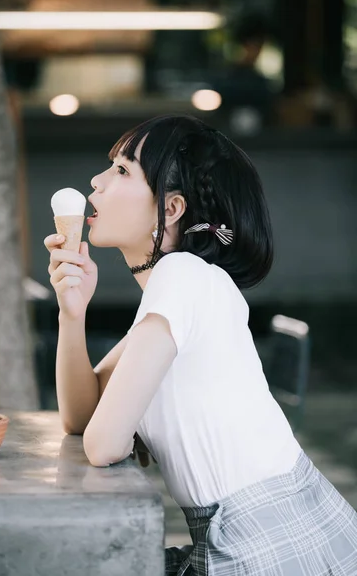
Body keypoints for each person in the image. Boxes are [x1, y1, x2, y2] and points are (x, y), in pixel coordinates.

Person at [44, 115, 357, 575]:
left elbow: (104, 443)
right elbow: (82, 417)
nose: (97, 181)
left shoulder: (182, 275)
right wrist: (72, 313)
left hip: (268, 546)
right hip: (269, 534)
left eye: (123, 170)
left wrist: (109, 428)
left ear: (171, 209)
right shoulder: (177, 294)